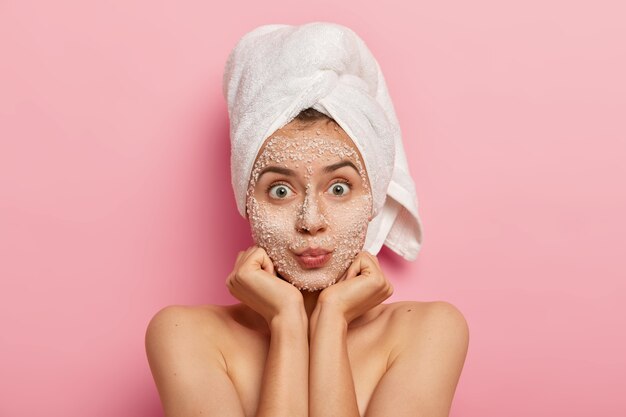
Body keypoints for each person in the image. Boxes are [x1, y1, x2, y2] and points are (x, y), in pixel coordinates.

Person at [145, 23, 469, 417]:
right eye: (280, 190)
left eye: (339, 188)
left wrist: (331, 320)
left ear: (374, 198)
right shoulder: (184, 336)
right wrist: (287, 322)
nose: (311, 221)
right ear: (247, 200)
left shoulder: (429, 332)